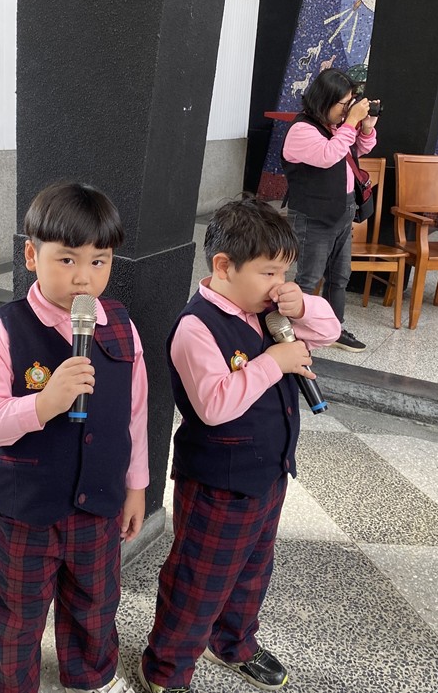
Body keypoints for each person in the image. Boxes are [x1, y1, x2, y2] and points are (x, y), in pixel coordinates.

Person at [139, 198, 340, 693]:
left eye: (284, 273)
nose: (278, 285)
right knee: (199, 579)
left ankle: (232, 642)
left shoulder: (268, 312)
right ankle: (166, 667)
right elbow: (214, 405)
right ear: (224, 267)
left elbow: (329, 330)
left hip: (268, 473)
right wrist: (275, 362)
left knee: (253, 568)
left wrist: (302, 305)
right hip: (217, 484)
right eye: (269, 272)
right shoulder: (196, 327)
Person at [0, 182, 148, 693]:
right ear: (30, 256)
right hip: (26, 511)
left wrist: (136, 487)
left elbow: (135, 414)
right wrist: (41, 405)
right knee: (13, 616)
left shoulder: (121, 327)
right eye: (66, 260)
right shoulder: (6, 330)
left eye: (99, 261)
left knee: (96, 602)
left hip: (99, 505)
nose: (84, 277)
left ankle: (92, 676)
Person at [282, 67, 379, 352]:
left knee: (340, 276)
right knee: (308, 279)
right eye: (344, 104)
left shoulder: (335, 127)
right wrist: (351, 122)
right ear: (324, 99)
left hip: (342, 211)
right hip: (314, 216)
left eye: (350, 104)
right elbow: (328, 155)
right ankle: (292, 334)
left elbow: (356, 151)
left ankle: (334, 328)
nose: (347, 110)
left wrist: (366, 127)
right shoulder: (301, 130)